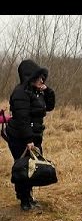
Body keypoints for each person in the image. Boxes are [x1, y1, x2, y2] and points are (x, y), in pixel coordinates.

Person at [6, 59, 55, 211]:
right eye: (38, 77)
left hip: (33, 135)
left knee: (32, 167)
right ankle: (25, 201)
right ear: (29, 76)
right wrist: (28, 140)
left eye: (42, 77)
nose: (42, 79)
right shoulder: (20, 93)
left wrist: (47, 90)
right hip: (20, 137)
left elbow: (50, 106)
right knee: (24, 167)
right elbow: (22, 119)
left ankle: (28, 198)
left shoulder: (36, 91)